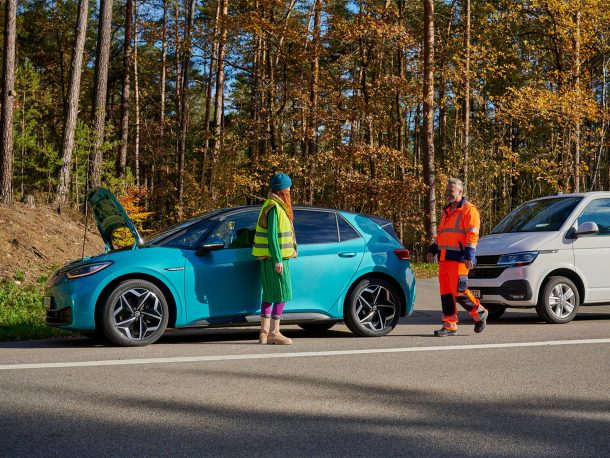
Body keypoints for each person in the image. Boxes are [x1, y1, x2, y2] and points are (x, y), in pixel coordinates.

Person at [426, 178, 488, 337]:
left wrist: (469, 256)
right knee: (446, 293)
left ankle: (479, 312)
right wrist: (433, 249)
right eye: (447, 191)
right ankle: (449, 325)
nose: (448, 194)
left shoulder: (469, 210)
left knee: (459, 291)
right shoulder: (446, 210)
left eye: (451, 191)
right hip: (444, 259)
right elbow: (441, 234)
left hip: (460, 259)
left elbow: (472, 235)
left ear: (460, 192)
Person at [252, 172, 297, 345]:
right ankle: (274, 332)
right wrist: (278, 259)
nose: (290, 191)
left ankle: (264, 333)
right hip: (275, 259)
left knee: (269, 294)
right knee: (281, 294)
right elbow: (272, 237)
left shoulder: (273, 205)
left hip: (270, 258)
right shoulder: (274, 207)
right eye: (288, 188)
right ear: (283, 190)